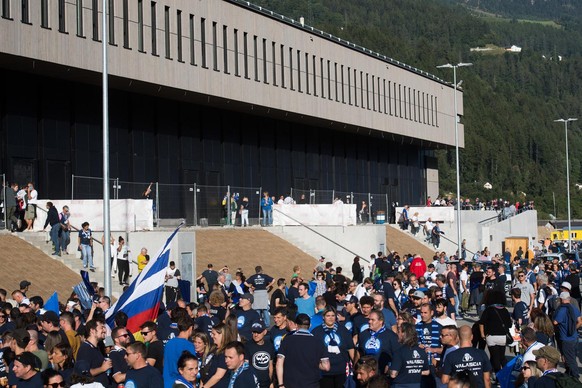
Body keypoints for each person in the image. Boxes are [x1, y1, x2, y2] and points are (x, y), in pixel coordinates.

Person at [276, 313, 330, 388]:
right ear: (310, 325)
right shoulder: (318, 342)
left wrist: (281, 384)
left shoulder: (287, 340)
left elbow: (279, 362)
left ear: (296, 325)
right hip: (311, 384)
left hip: (291, 384)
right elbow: (326, 367)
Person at [311, 307, 355, 388]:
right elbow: (312, 352)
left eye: (332, 315)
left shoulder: (343, 330)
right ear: (323, 317)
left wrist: (355, 364)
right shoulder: (316, 332)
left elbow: (351, 348)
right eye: (328, 316)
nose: (330, 318)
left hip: (341, 370)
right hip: (324, 372)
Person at [479, 290, 511, 374]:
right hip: (502, 337)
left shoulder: (488, 310)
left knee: (494, 357)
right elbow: (509, 324)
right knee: (502, 357)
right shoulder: (505, 310)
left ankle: (498, 375)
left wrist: (482, 334)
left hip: (491, 337)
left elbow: (481, 322)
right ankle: (506, 373)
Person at [357, 310, 399, 374]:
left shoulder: (391, 336)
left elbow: (397, 354)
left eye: (372, 320)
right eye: (369, 319)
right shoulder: (363, 334)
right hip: (366, 372)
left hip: (382, 372)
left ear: (380, 321)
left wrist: (390, 365)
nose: (369, 322)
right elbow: (359, 353)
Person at [552, 291, 581, 379]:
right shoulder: (574, 308)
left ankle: (575, 377)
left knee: (569, 359)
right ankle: (569, 373)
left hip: (566, 339)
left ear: (561, 299)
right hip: (575, 337)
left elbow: (555, 322)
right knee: (572, 357)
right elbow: (580, 321)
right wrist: (573, 329)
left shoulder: (562, 310)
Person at [389, 322, 429, 387]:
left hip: (400, 385)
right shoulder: (422, 352)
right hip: (417, 385)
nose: (397, 334)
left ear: (404, 334)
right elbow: (426, 372)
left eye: (399, 331)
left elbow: (393, 374)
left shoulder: (399, 352)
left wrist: (388, 370)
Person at [75, 319, 111, 387]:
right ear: (92, 331)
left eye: (104, 327)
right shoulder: (85, 349)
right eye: (101, 328)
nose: (105, 330)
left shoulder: (97, 348)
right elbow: (84, 373)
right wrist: (102, 368)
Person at [163, 316, 196, 388]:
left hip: (167, 382)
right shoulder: (189, 345)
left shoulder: (169, 343)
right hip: (182, 383)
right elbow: (192, 366)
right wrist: (193, 384)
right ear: (190, 328)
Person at [244, 322, 275, 388]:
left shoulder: (270, 346)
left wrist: (271, 382)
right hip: (253, 382)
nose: (256, 335)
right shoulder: (247, 346)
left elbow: (270, 365)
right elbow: (245, 365)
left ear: (265, 332)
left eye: (258, 332)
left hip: (266, 382)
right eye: (254, 332)